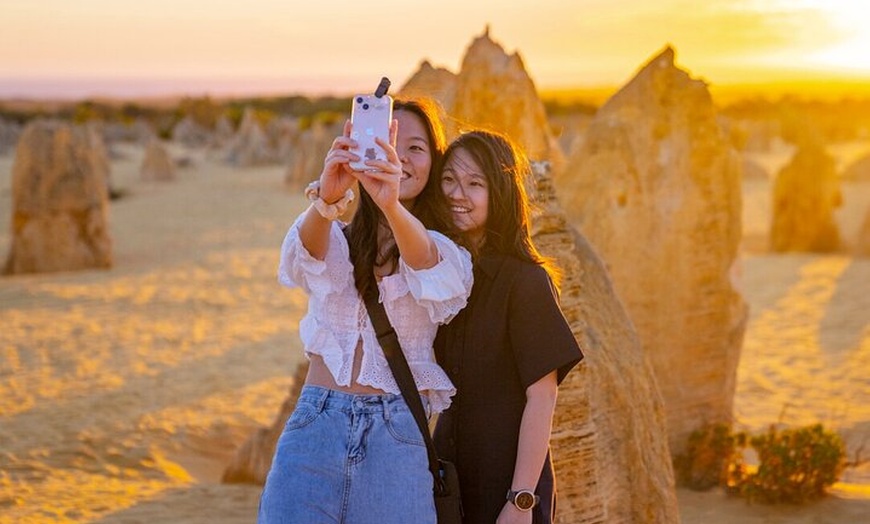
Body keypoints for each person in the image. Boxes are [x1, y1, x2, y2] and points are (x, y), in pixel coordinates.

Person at [258, 98, 473, 524]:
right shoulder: (335, 238)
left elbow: (427, 264)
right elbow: (304, 256)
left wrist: (390, 204)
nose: (401, 157)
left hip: (396, 439)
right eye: (389, 141)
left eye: (416, 148)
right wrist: (327, 198)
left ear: (433, 163)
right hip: (315, 426)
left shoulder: (446, 250)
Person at [433, 130, 583, 524]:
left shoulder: (526, 282)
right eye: (449, 179)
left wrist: (520, 501)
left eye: (474, 183)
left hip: (508, 483)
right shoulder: (442, 280)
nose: (456, 194)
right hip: (449, 480)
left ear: (499, 192)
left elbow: (542, 397)